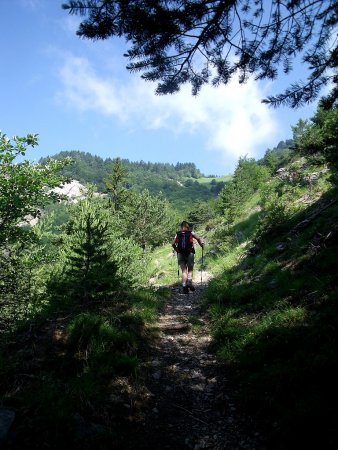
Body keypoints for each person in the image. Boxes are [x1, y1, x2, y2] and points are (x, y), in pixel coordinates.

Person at [172, 221, 204, 294]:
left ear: (181, 227)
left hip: (180, 254)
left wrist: (176, 249)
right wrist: (201, 245)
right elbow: (198, 239)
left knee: (184, 271)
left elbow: (173, 243)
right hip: (189, 253)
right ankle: (189, 282)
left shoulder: (178, 234)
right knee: (190, 270)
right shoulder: (191, 233)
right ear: (188, 227)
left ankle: (184, 286)